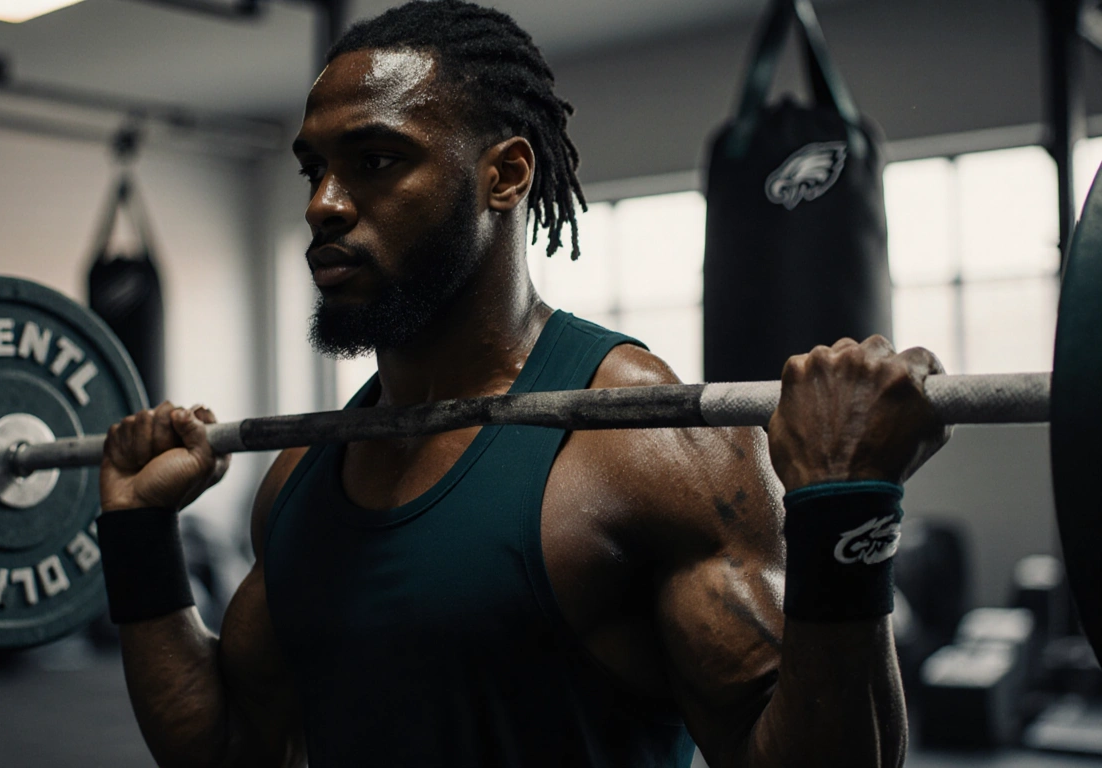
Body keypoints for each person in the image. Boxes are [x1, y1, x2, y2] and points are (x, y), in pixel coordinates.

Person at [95, 2, 949, 766]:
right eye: (312, 168)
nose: (323, 203)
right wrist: (137, 534)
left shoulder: (646, 444)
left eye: (376, 159)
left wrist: (846, 509)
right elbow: (230, 747)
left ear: (504, 175)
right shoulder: (300, 480)